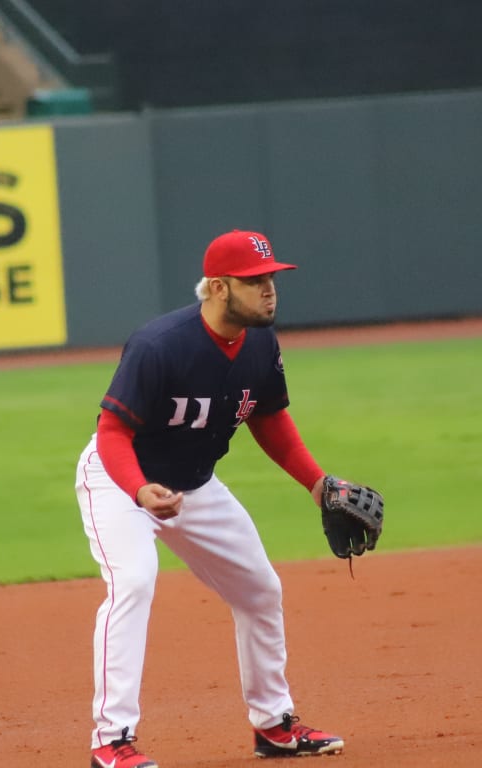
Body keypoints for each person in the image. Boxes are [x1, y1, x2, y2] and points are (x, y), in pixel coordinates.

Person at [75, 229, 346, 768]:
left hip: (195, 486)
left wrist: (317, 484)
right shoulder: (160, 345)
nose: (270, 290)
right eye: (255, 281)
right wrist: (138, 489)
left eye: (271, 278)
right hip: (119, 480)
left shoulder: (261, 344)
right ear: (219, 288)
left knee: (260, 590)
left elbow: (269, 419)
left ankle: (274, 727)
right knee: (132, 582)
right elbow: (111, 432)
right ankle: (112, 739)